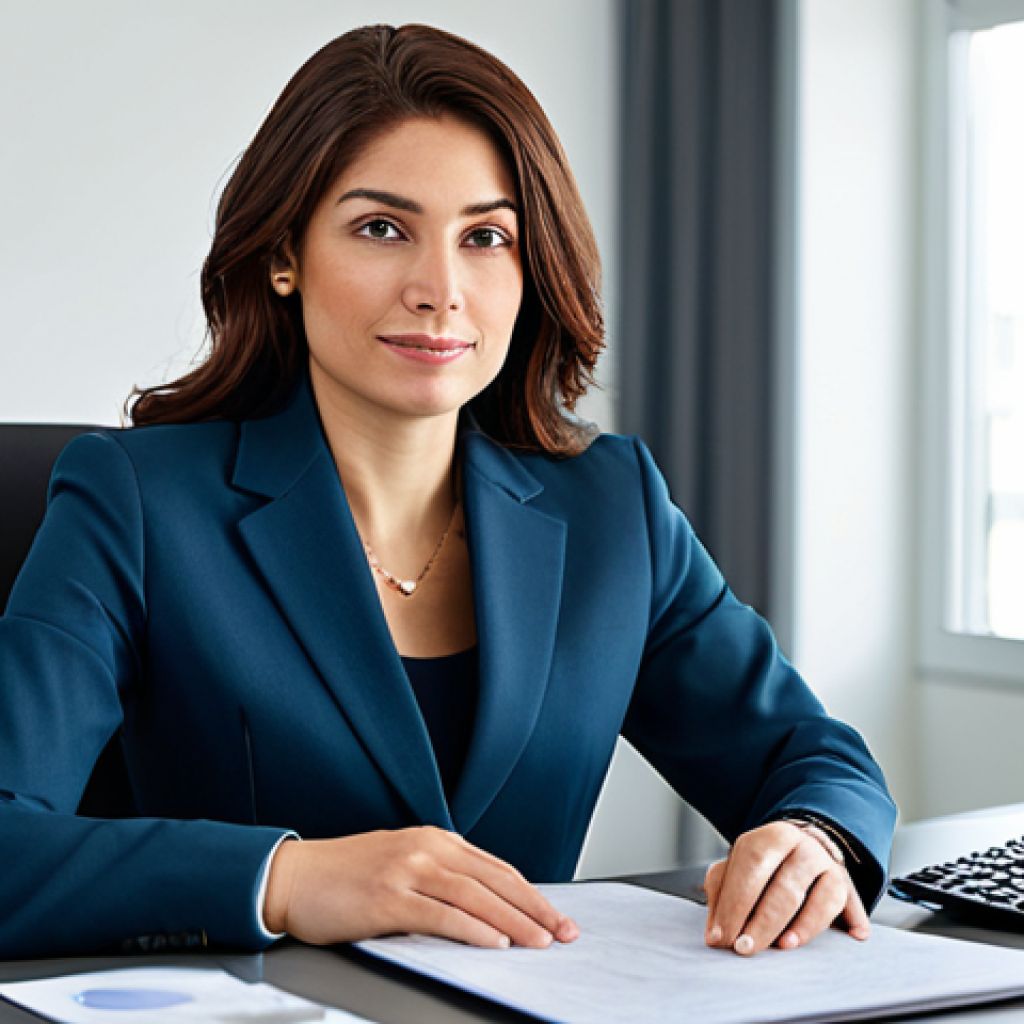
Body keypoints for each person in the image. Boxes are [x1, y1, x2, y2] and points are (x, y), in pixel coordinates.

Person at [0, 23, 895, 962]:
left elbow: (820, 760)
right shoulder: (139, 505)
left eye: (486, 237)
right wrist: (291, 879)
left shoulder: (610, 509)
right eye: (382, 228)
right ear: (284, 256)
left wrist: (813, 839)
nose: (440, 289)